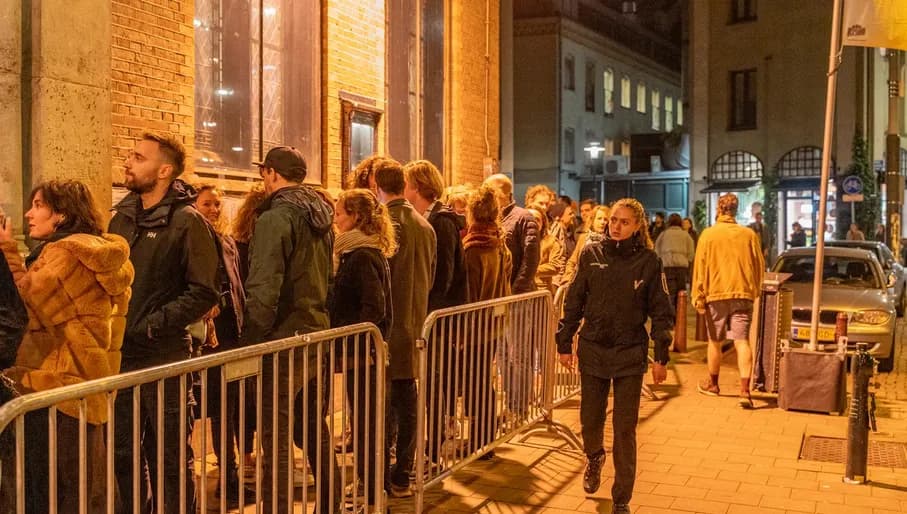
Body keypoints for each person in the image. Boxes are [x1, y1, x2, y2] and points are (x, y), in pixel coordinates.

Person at [0, 180, 134, 513]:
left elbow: (25, 306)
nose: (29, 214)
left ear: (61, 214)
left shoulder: (65, 254)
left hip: (55, 387)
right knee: (82, 486)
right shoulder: (98, 253)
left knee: (53, 490)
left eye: (38, 205)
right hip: (83, 386)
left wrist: (7, 252)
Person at [108, 132, 220, 514]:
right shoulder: (121, 218)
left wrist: (154, 324)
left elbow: (205, 290)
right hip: (122, 359)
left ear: (164, 170)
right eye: (131, 154)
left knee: (168, 459)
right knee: (123, 454)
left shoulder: (188, 222)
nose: (128, 161)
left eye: (138, 157)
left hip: (164, 359)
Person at [556, 198, 673, 514]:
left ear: (637, 226)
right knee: (590, 420)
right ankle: (594, 455)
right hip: (594, 348)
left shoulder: (648, 262)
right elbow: (574, 302)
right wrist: (564, 342)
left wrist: (661, 356)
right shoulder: (591, 254)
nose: (616, 226)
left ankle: (622, 497)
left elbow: (661, 312)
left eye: (624, 222)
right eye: (613, 220)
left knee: (624, 428)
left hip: (629, 353)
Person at [243, 145, 340, 513]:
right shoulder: (320, 215)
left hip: (282, 339)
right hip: (315, 330)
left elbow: (264, 285)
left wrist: (252, 338)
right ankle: (329, 501)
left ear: (271, 174)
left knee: (276, 437)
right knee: (314, 424)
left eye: (263, 173)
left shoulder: (276, 217)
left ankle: (278, 508)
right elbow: (328, 277)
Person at [328, 188, 395, 506]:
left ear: (356, 217)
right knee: (364, 420)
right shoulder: (356, 252)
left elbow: (374, 306)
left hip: (363, 353)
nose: (335, 219)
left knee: (368, 423)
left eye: (340, 213)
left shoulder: (362, 255)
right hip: (359, 351)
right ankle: (369, 482)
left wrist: (356, 335)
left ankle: (371, 486)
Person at [375, 158, 436, 498]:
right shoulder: (425, 226)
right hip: (415, 325)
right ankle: (404, 472)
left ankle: (382, 474)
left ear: (377, 186)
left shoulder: (385, 225)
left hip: (387, 329)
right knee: (408, 400)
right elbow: (432, 274)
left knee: (384, 407)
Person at [403, 159, 467, 465]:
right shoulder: (431, 217)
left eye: (406, 183)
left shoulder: (441, 221)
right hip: (432, 314)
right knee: (431, 377)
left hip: (437, 316)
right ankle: (432, 440)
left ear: (417, 187)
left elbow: (444, 273)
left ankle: (434, 444)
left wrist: (428, 305)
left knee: (435, 378)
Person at [193, 183, 251, 508]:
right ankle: (225, 478)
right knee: (214, 406)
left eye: (217, 204)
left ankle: (230, 477)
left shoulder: (227, 241)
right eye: (207, 204)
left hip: (230, 334)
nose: (214, 210)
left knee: (228, 407)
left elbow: (237, 285)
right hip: (209, 339)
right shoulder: (194, 241)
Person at [692, 193, 764, 409]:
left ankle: (714, 385)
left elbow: (700, 267)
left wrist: (698, 295)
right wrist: (754, 289)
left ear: (718, 209)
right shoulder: (749, 235)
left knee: (715, 341)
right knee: (742, 341)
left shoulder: (708, 235)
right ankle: (745, 391)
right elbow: (759, 266)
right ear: (736, 210)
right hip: (742, 294)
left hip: (716, 294)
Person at [462, 185, 513, 456]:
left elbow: (469, 294)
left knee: (476, 383)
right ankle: (485, 438)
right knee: (483, 381)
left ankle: (481, 441)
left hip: (475, 328)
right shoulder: (498, 242)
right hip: (494, 324)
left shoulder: (474, 249)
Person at [484, 174, 540, 294]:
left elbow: (530, 260)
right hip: (498, 291)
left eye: (490, 192)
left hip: (516, 294)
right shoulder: (490, 218)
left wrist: (517, 291)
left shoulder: (524, 217)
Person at [654, 214, 695, 310]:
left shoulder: (663, 234)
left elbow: (656, 250)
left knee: (668, 292)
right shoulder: (686, 235)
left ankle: (670, 314)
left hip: (667, 267)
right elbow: (691, 252)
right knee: (681, 293)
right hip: (681, 267)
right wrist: (686, 260)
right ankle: (679, 316)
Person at [564, 205, 610, 284]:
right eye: (599, 218)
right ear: (593, 220)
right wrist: (568, 279)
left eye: (605, 219)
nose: (602, 222)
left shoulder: (610, 241)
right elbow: (572, 261)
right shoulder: (584, 238)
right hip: (579, 282)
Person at [529, 208, 565, 293]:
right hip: (520, 291)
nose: (533, 222)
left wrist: (531, 270)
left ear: (543, 223)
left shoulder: (551, 241)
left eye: (537, 219)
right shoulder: (518, 241)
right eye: (530, 219)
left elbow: (555, 266)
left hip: (542, 291)